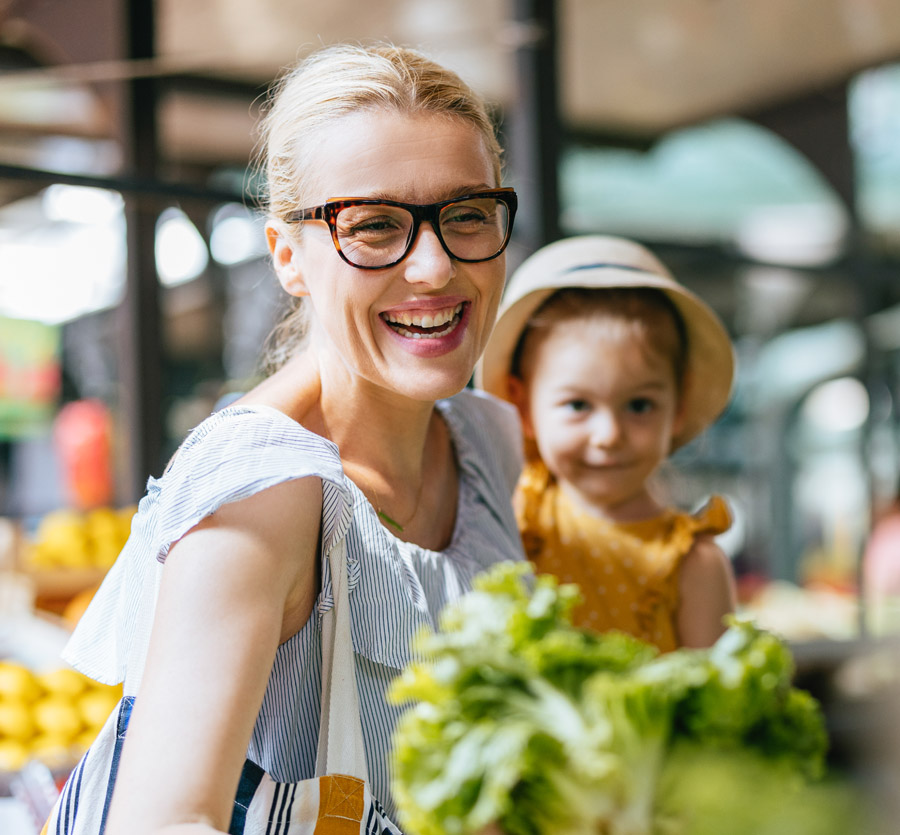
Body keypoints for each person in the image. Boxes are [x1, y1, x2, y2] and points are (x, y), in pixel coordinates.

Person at [46, 43, 524, 835]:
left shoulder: (483, 444)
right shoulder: (265, 487)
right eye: (374, 226)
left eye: (467, 214)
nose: (436, 267)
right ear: (287, 257)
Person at [478, 235, 737, 651]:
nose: (609, 435)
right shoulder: (508, 518)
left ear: (680, 406)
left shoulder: (694, 565)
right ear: (523, 406)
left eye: (639, 405)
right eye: (578, 404)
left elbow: (716, 709)